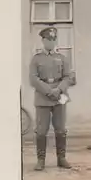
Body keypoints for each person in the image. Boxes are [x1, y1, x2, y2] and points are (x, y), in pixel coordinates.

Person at [29, 26, 72, 171]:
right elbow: (33, 79)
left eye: (53, 40)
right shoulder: (36, 59)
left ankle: (62, 158)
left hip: (59, 97)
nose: (51, 43)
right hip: (43, 98)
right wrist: (49, 91)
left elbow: (68, 77)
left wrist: (58, 89)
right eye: (48, 40)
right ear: (43, 41)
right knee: (41, 130)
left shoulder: (62, 58)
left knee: (60, 129)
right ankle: (41, 160)